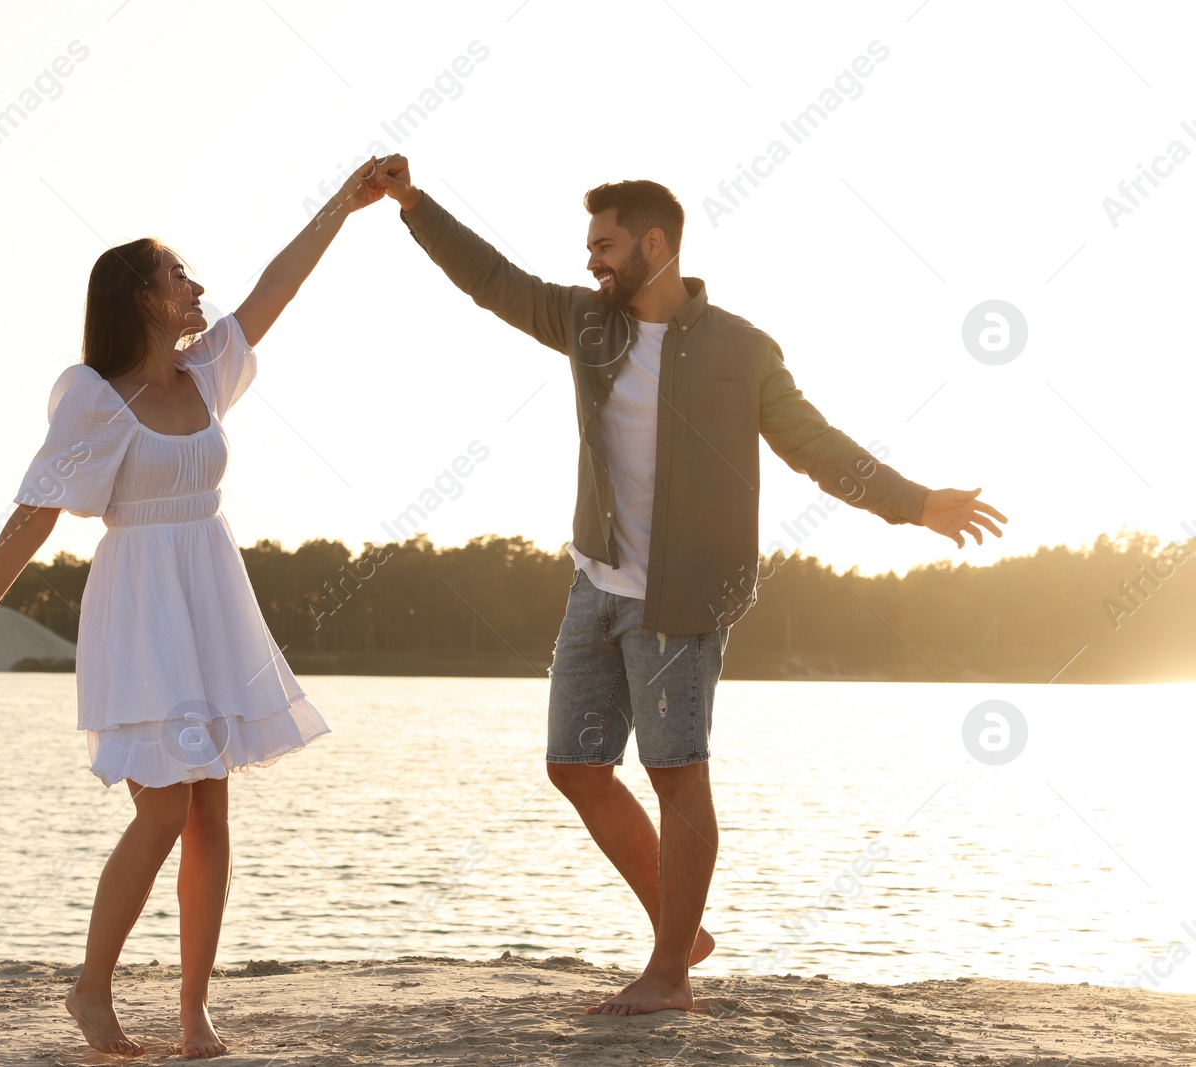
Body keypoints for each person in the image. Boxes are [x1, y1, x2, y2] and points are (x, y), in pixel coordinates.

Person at [369, 155, 1007, 1016]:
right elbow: (492, 280)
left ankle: (668, 973)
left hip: (684, 603)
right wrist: (414, 204)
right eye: (589, 246)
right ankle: (683, 928)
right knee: (575, 765)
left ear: (655, 243)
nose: (591, 260)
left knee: (677, 777)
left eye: (605, 244)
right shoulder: (586, 323)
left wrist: (915, 503)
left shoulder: (741, 350)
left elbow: (817, 446)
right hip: (594, 583)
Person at [0, 159, 387, 1057]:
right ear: (139, 297)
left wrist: (345, 204)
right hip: (140, 609)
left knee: (211, 814)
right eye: (179, 276)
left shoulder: (207, 373)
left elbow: (275, 288)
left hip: (210, 595)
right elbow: (36, 514)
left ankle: (193, 1006)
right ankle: (91, 990)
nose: (198, 286)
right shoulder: (95, 398)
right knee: (163, 811)